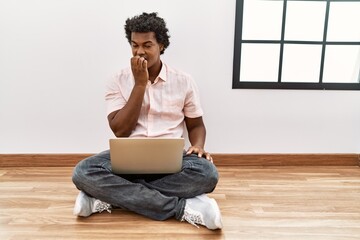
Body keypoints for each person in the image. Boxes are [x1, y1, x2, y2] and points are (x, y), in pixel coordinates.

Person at [72, 12, 223, 230]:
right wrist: (140, 85)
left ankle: (105, 197)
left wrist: (198, 146)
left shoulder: (184, 81)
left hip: (173, 159)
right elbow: (120, 131)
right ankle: (184, 207)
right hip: (128, 158)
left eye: (147, 45)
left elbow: (196, 125)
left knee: (207, 174)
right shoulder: (117, 80)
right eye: (134, 45)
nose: (139, 51)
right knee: (83, 172)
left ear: (161, 45)